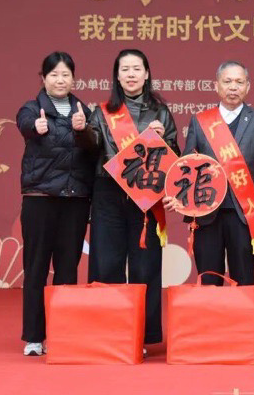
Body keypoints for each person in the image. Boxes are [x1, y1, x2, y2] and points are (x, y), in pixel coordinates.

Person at [82, 49, 179, 347]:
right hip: (109, 193)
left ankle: (144, 336)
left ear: (147, 74)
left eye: (137, 68)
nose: (131, 74)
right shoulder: (102, 112)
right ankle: (108, 333)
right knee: (106, 263)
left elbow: (174, 156)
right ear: (117, 75)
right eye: (125, 69)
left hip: (145, 195)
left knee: (145, 266)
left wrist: (162, 141)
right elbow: (91, 147)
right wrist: (81, 130)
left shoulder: (161, 112)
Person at [165, 61, 254, 285]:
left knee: (244, 277)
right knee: (209, 278)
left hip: (245, 212)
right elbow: (187, 164)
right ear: (217, 86)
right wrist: (179, 197)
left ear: (248, 87)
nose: (233, 87)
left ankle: (244, 310)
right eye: (228, 81)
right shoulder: (200, 120)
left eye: (239, 82)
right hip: (206, 210)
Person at [15, 51, 95, 356]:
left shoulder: (83, 111)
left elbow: (94, 147)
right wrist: (35, 127)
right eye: (54, 75)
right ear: (43, 78)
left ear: (74, 79)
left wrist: (83, 130)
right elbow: (24, 124)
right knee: (36, 268)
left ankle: (62, 333)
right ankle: (34, 337)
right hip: (40, 199)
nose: (60, 80)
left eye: (66, 75)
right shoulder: (31, 108)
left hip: (75, 200)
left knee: (67, 268)